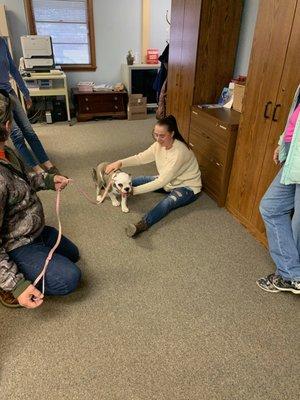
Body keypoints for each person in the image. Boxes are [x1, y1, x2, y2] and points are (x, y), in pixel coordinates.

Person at [0, 90, 81, 308]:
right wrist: (16, 285)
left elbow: (24, 178)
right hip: (14, 243)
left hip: (30, 229)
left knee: (72, 254)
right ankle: (6, 281)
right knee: (69, 279)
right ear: (8, 126)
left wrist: (48, 180)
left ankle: (34, 252)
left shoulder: (7, 153)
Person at [106, 115, 202, 237]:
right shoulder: (159, 145)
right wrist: (120, 162)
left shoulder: (180, 153)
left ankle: (142, 224)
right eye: (155, 134)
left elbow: (161, 182)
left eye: (162, 136)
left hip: (187, 187)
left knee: (167, 203)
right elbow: (141, 158)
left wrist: (134, 191)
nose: (158, 139)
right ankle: (114, 188)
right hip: (169, 181)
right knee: (140, 180)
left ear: (172, 134)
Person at [257, 85, 300, 295]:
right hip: (294, 155)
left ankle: (291, 276)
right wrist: (283, 144)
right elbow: (295, 118)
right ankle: (292, 274)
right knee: (271, 207)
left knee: (298, 223)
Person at [0, 36, 59, 174]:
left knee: (29, 131)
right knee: (16, 135)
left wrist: (26, 93)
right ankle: (38, 170)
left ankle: (48, 164)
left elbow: (13, 69)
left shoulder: (2, 42)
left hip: (9, 92)